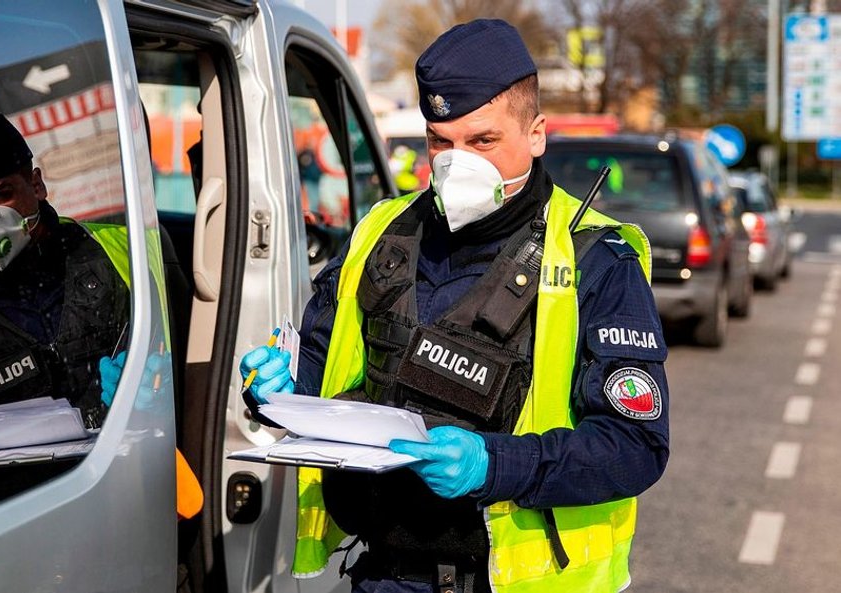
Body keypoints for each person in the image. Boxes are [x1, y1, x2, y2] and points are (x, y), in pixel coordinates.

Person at [239, 19, 669, 593]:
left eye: (482, 141)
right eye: (440, 141)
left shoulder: (596, 258)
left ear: (536, 134)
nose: (456, 162)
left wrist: (494, 465)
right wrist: (280, 384)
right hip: (384, 575)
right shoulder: (381, 234)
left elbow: (635, 446)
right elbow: (320, 359)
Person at [0, 106, 167, 536]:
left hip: (131, 518)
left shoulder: (126, 253)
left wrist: (159, 390)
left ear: (35, 183)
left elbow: (202, 362)